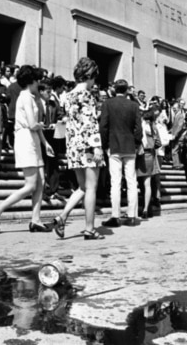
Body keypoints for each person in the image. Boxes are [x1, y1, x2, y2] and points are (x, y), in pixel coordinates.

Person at [0, 65, 55, 232]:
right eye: (37, 80)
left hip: (33, 140)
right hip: (25, 139)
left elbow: (35, 126)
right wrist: (42, 127)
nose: (39, 83)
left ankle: (35, 220)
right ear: (31, 81)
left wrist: (45, 143)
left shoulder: (32, 97)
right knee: (31, 184)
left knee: (41, 182)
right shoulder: (25, 97)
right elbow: (32, 124)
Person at [49, 57, 106, 240]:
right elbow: (90, 123)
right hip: (88, 145)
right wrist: (97, 147)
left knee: (82, 187)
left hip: (73, 145)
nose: (94, 82)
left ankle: (62, 216)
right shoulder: (87, 96)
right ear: (90, 76)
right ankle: (89, 228)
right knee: (91, 188)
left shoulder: (68, 95)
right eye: (94, 78)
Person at [99, 79, 142, 228]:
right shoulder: (134, 106)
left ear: (114, 89)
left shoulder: (108, 104)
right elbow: (138, 128)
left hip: (114, 146)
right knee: (131, 181)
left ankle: (115, 215)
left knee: (115, 182)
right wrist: (136, 144)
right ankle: (131, 216)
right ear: (126, 90)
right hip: (129, 146)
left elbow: (103, 126)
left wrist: (104, 145)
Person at [136, 107, 161, 220]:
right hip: (150, 155)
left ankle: (137, 208)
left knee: (137, 183)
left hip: (139, 155)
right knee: (147, 184)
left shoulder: (140, 126)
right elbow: (158, 143)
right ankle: (146, 208)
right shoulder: (154, 127)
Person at [168, 100, 186, 170]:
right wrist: (169, 131)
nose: (174, 109)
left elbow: (180, 126)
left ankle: (176, 165)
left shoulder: (180, 116)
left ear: (179, 108)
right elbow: (175, 126)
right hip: (174, 136)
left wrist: (175, 134)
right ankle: (176, 164)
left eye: (175, 108)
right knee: (174, 150)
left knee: (174, 151)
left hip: (177, 137)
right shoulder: (176, 115)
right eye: (173, 108)